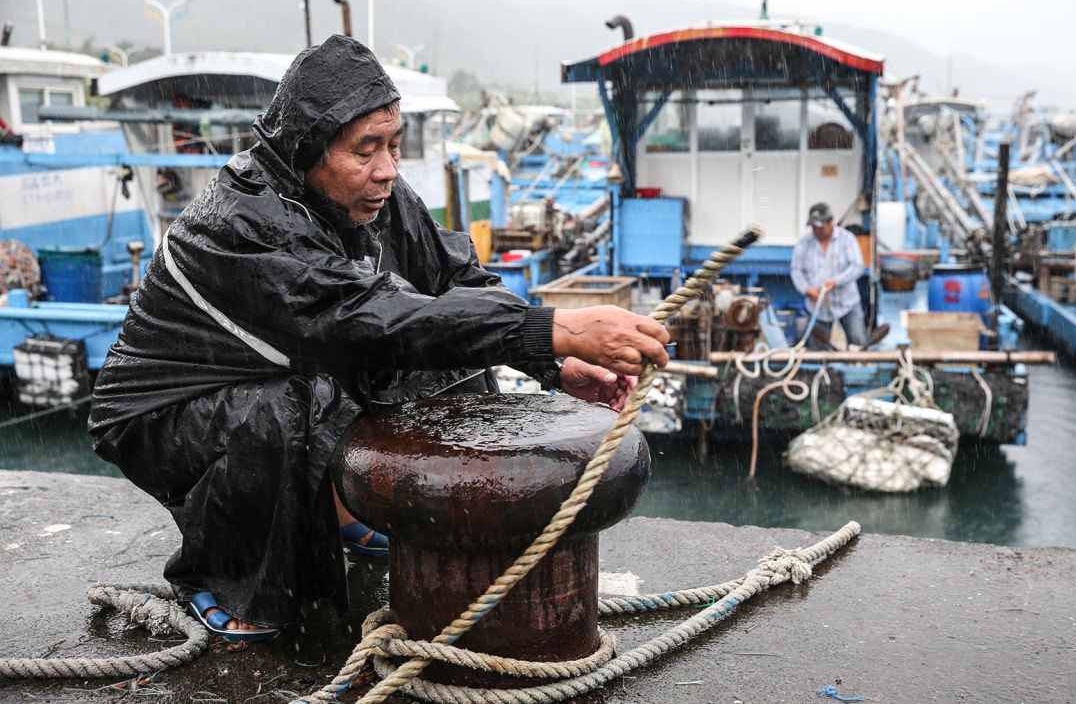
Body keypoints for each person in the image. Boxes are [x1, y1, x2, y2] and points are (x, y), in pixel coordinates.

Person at [87, 35, 669, 641]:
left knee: (450, 353)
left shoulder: (373, 193)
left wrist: (552, 363)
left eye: (394, 144)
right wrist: (560, 328)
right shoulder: (242, 224)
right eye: (366, 148)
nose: (388, 168)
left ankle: (343, 511)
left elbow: (458, 281)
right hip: (162, 411)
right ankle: (232, 577)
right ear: (308, 150)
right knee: (272, 411)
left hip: (292, 362)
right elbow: (365, 319)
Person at [790, 202, 867, 348]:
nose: (816, 230)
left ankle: (857, 368)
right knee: (817, 352)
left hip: (848, 304)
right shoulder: (803, 243)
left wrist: (837, 281)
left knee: (858, 346)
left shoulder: (847, 239)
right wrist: (807, 289)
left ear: (831, 222)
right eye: (813, 227)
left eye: (820, 227)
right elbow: (796, 270)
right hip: (818, 308)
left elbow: (857, 266)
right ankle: (823, 371)